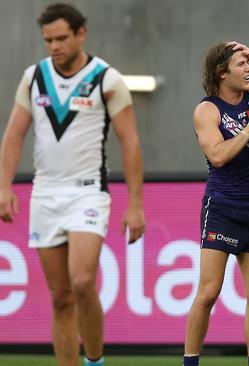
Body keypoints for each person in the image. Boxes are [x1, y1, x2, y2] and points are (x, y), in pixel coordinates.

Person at [0, 3, 145, 366]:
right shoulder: (33, 77)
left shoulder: (106, 78)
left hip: (88, 193)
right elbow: (14, 135)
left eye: (62, 37)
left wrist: (135, 203)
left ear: (81, 33)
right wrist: (4, 186)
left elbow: (130, 142)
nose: (54, 45)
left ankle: (94, 360)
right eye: (48, 39)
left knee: (82, 282)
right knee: (60, 297)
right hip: (45, 194)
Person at [183, 41, 249, 366]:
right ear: (221, 72)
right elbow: (217, 155)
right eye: (241, 64)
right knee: (209, 292)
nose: (248, 70)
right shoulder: (207, 110)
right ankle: (190, 361)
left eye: (247, 63)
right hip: (223, 208)